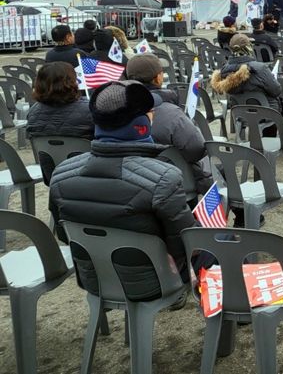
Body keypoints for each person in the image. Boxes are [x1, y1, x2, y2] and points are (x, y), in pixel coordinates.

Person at [48, 80, 200, 304]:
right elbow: (186, 244)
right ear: (141, 123)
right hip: (155, 281)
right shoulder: (163, 177)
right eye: (150, 112)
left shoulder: (60, 174)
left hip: (95, 278)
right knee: (219, 240)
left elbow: (64, 233)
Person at [126, 54, 213, 195]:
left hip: (133, 182)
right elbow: (197, 149)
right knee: (216, 168)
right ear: (158, 78)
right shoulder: (171, 114)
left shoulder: (117, 109)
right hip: (177, 182)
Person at [211, 33, 282, 112]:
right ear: (248, 48)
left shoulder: (224, 70)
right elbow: (276, 91)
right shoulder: (260, 68)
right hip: (266, 114)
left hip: (240, 115)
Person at [26, 61, 94, 140]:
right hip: (81, 151)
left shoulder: (33, 111)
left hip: (47, 152)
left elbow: (30, 137)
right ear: (71, 81)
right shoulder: (90, 109)